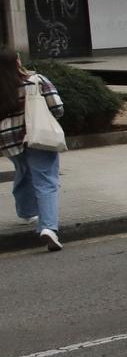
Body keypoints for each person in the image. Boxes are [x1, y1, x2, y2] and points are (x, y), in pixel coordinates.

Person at [1, 47, 63, 251]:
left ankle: (27, 211)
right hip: (37, 135)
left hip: (9, 140)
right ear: (17, 61)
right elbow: (57, 107)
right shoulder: (36, 80)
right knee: (46, 181)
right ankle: (48, 228)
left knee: (24, 171)